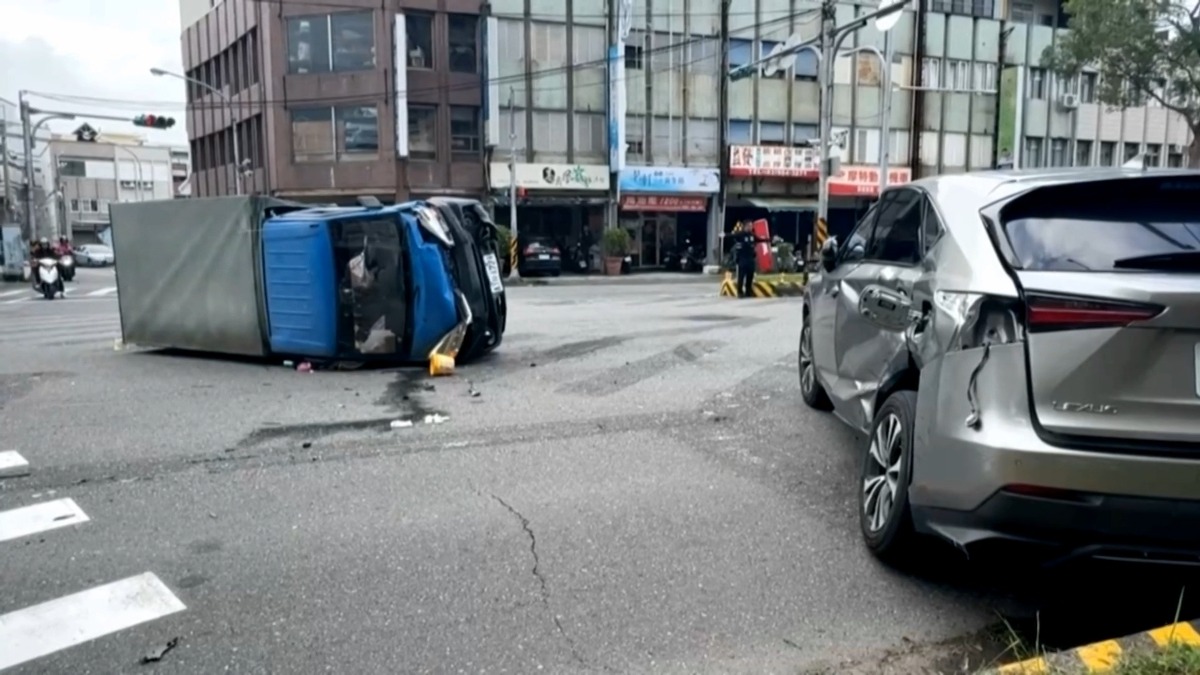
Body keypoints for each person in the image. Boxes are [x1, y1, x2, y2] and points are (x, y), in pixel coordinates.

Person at [730, 222, 763, 298]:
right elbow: (732, 235)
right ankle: (740, 292)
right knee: (741, 276)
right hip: (742, 258)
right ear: (745, 226)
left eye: (751, 226)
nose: (750, 227)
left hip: (750, 258)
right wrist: (724, 235)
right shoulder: (741, 234)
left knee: (750, 276)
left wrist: (769, 239)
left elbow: (759, 239)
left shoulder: (752, 235)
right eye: (749, 226)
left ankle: (748, 291)